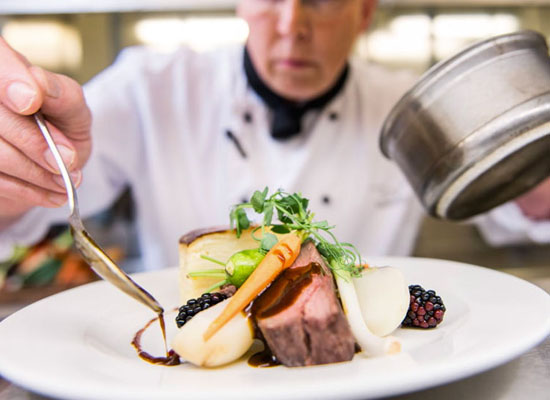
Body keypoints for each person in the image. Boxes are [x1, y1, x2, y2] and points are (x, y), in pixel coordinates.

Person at [0, 0, 549, 270]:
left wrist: (531, 156)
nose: (292, 26)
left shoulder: (414, 110)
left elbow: (521, 203)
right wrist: (19, 163)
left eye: (322, 0)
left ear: (364, 14)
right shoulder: (150, 87)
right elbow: (36, 200)